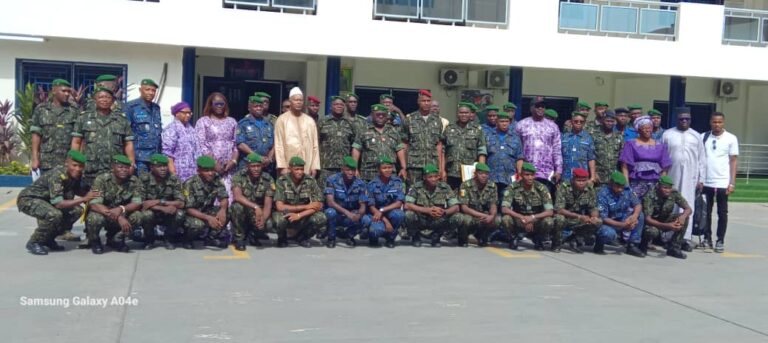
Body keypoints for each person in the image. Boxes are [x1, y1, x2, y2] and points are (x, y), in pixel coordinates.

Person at [18, 150, 97, 255]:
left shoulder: (75, 176)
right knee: (54, 214)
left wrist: (94, 194)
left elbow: (78, 190)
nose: (77, 169)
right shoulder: (57, 175)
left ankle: (49, 238)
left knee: (77, 210)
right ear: (66, 163)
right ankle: (34, 242)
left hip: (47, 200)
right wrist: (84, 199)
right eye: (74, 165)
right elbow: (59, 204)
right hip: (29, 199)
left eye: (80, 166)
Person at [71, 87, 135, 189]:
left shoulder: (121, 120)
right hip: (90, 168)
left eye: (108, 97)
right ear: (95, 100)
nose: (104, 100)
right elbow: (76, 142)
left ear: (113, 100)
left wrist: (131, 163)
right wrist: (75, 162)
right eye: (101, 97)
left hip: (114, 169)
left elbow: (128, 143)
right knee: (90, 198)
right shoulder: (83, 118)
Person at [662, 107, 706, 251]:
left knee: (687, 206)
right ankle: (668, 236)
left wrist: (701, 179)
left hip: (690, 177)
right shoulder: (668, 134)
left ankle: (685, 238)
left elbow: (702, 159)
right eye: (682, 119)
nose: (684, 121)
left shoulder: (696, 136)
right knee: (671, 205)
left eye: (687, 119)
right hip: (671, 176)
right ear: (677, 119)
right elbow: (662, 156)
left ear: (690, 120)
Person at [85, 155, 145, 254]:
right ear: (113, 167)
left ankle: (116, 239)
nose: (124, 170)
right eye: (120, 167)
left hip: (122, 213)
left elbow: (137, 203)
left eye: (126, 167)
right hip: (104, 213)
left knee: (138, 216)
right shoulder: (101, 179)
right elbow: (94, 204)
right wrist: (118, 217)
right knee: (94, 218)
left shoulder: (134, 181)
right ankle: (95, 241)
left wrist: (121, 209)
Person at [701, 112, 739, 253]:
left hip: (723, 182)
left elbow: (733, 161)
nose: (717, 125)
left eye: (719, 122)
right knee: (706, 212)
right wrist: (700, 179)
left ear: (724, 123)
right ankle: (707, 238)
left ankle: (720, 240)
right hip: (706, 182)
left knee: (722, 213)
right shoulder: (703, 137)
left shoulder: (731, 138)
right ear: (710, 122)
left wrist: (732, 182)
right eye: (714, 122)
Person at [272, 156, 327, 248]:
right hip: (287, 214)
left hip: (303, 215)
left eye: (302, 169)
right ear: (290, 169)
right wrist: (305, 207)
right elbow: (280, 207)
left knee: (321, 217)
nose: (300, 172)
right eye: (296, 169)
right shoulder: (282, 181)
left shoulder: (310, 181)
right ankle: (282, 238)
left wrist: (299, 215)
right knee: (278, 220)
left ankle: (302, 237)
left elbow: (318, 205)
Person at [500, 163, 555, 251]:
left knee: (549, 221)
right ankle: (513, 238)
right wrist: (522, 217)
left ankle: (539, 239)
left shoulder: (541, 188)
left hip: (536, 220)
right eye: (527, 175)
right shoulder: (513, 187)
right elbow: (504, 208)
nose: (530, 178)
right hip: (519, 219)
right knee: (506, 219)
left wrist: (532, 218)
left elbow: (550, 211)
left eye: (532, 175)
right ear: (521, 175)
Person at [404, 164, 460, 247]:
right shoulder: (416, 187)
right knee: (408, 214)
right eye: (430, 177)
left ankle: (436, 236)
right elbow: (407, 205)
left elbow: (456, 207)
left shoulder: (445, 187)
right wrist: (427, 210)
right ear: (424, 177)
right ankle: (416, 236)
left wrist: (444, 212)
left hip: (437, 218)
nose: (433, 179)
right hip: (421, 218)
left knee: (457, 217)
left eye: (435, 176)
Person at [196, 92, 239, 200]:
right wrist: (214, 163)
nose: (219, 106)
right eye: (216, 104)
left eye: (222, 103)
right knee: (212, 198)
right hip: (210, 169)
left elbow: (235, 145)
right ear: (211, 105)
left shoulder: (232, 121)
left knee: (229, 198)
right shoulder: (203, 121)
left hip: (229, 169)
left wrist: (233, 161)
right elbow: (201, 144)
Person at [137, 154, 185, 250]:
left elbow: (181, 203)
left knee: (180, 213)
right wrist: (161, 207)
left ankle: (169, 239)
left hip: (169, 213)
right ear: (151, 167)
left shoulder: (174, 179)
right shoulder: (143, 179)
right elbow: (141, 203)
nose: (163, 169)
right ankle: (149, 239)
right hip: (153, 212)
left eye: (165, 166)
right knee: (146, 215)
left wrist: (163, 202)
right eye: (159, 166)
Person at [30, 79, 78, 175]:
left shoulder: (74, 110)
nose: (67, 94)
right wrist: (35, 158)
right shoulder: (41, 109)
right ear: (54, 91)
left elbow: (78, 138)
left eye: (68, 91)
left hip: (67, 161)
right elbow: (36, 135)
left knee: (68, 189)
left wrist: (75, 160)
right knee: (47, 189)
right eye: (63, 91)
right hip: (47, 161)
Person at [181, 156, 230, 249]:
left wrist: (223, 210)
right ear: (198, 171)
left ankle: (211, 238)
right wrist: (208, 218)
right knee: (197, 225)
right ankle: (187, 239)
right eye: (206, 171)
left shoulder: (216, 179)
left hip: (207, 210)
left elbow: (224, 197)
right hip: (192, 214)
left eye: (212, 170)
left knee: (228, 211)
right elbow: (188, 208)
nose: (211, 173)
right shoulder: (189, 184)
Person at [515, 98, 562, 195]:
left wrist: (558, 170)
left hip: (547, 173)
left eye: (543, 106)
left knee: (546, 204)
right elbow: (516, 150)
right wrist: (518, 171)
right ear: (531, 108)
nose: (540, 108)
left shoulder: (553, 126)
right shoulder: (521, 125)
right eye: (537, 106)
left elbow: (557, 149)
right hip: (527, 172)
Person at [230, 153, 275, 251]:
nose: (256, 169)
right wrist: (255, 207)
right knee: (237, 207)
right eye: (253, 166)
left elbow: (268, 205)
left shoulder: (268, 179)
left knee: (269, 224)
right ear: (247, 166)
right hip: (245, 209)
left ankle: (254, 234)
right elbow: (237, 196)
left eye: (258, 166)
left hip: (258, 213)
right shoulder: (239, 176)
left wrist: (263, 219)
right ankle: (239, 238)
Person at [620, 115, 672, 199]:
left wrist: (662, 184)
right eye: (644, 128)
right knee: (635, 207)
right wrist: (626, 184)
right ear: (639, 130)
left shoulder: (660, 145)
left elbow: (665, 167)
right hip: (636, 182)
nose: (648, 130)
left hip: (655, 183)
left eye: (650, 127)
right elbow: (624, 165)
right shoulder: (631, 144)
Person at [640, 175, 691, 259]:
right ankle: (642, 245)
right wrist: (668, 226)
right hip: (652, 223)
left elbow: (688, 209)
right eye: (665, 188)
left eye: (669, 188)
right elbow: (647, 219)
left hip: (665, 220)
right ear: (659, 186)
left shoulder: (674, 193)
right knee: (651, 231)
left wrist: (683, 217)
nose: (668, 190)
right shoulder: (650, 195)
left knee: (685, 218)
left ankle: (674, 247)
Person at [352, 105, 407, 182]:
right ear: (372, 115)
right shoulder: (363, 131)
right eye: (378, 114)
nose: (381, 116)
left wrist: (403, 168)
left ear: (387, 116)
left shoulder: (393, 131)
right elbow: (356, 149)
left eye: (383, 115)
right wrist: (354, 168)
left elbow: (400, 149)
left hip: (390, 175)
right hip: (369, 174)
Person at [595, 172, 645, 257]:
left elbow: (638, 204)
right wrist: (623, 225)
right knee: (608, 233)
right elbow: (604, 218)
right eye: (617, 186)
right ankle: (599, 243)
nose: (620, 189)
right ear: (611, 183)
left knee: (640, 216)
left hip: (622, 219)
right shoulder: (603, 193)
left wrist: (634, 216)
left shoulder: (627, 190)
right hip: (608, 223)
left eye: (622, 186)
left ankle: (633, 245)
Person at [274, 87, 321, 177]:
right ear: (290, 101)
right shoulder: (282, 119)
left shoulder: (310, 121)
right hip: (288, 167)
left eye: (301, 100)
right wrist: (282, 166)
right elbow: (278, 145)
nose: (299, 102)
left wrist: (314, 166)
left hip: (306, 167)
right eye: (296, 100)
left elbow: (315, 146)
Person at [323, 156, 369, 248]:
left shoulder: (360, 183)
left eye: (353, 170)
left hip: (352, 213)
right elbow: (330, 202)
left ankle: (349, 235)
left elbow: (363, 205)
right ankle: (331, 237)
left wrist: (359, 214)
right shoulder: (332, 180)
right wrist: (347, 213)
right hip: (337, 213)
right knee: (330, 212)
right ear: (342, 169)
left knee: (366, 220)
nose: (351, 172)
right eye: (348, 170)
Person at [554, 168, 601, 253]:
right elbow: (559, 209)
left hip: (579, 219)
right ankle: (556, 243)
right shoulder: (564, 187)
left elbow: (593, 207)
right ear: (573, 179)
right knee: (559, 218)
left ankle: (574, 240)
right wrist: (579, 216)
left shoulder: (589, 189)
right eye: (578, 180)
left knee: (598, 222)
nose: (581, 183)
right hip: (565, 217)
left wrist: (594, 217)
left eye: (584, 180)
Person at [403, 90, 444, 185]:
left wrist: (440, 167)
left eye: (428, 101)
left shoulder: (437, 120)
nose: (426, 103)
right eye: (423, 101)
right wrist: (404, 167)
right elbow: (405, 144)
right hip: (414, 166)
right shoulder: (409, 119)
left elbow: (439, 144)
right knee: (412, 191)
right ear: (418, 102)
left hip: (432, 164)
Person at [442, 102, 487, 189]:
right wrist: (442, 170)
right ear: (457, 114)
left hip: (469, 173)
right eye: (461, 113)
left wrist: (481, 171)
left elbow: (482, 152)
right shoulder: (449, 129)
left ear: (470, 114)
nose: (464, 115)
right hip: (451, 172)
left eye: (466, 113)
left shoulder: (477, 130)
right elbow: (443, 151)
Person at [364, 156, 405, 248]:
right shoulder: (372, 184)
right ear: (379, 169)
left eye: (389, 167)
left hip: (389, 211)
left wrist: (382, 210)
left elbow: (399, 203)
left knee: (399, 215)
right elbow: (371, 206)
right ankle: (373, 238)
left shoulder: (397, 182)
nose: (387, 170)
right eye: (384, 168)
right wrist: (386, 221)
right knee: (375, 231)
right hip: (375, 214)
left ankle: (390, 238)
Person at [454, 163, 499, 247]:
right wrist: (483, 215)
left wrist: (492, 215)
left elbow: (493, 204)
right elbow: (464, 208)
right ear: (475, 174)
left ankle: (481, 235)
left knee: (497, 220)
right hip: (470, 215)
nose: (484, 176)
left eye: (486, 174)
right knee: (464, 219)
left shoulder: (492, 186)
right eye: (481, 173)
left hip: (483, 216)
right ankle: (463, 237)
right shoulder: (465, 185)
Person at [125, 79, 162, 174]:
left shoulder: (156, 108)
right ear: (140, 90)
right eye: (147, 89)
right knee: (141, 185)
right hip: (139, 158)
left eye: (153, 90)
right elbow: (126, 134)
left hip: (155, 157)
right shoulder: (131, 107)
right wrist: (131, 159)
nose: (151, 92)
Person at [317, 95, 356, 186]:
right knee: (325, 193)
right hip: (326, 166)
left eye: (341, 105)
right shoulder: (323, 121)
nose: (339, 106)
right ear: (331, 106)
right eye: (336, 104)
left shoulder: (350, 123)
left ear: (344, 106)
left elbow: (354, 144)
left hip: (344, 166)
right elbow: (317, 142)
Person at [486, 112, 523, 201]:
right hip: (491, 176)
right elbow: (483, 155)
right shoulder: (488, 136)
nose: (504, 123)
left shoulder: (515, 138)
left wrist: (520, 173)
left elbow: (519, 157)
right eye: (502, 121)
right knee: (491, 203)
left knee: (506, 203)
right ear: (497, 122)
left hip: (508, 177)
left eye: (507, 121)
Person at [162, 102, 200, 182]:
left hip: (193, 172)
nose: (188, 115)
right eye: (185, 113)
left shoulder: (191, 129)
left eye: (189, 113)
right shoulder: (171, 129)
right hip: (179, 171)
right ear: (176, 114)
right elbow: (167, 153)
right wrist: (173, 173)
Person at [235, 95, 275, 173]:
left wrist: (269, 158)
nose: (259, 108)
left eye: (260, 106)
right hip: (248, 165)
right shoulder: (243, 123)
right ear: (249, 108)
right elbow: (240, 144)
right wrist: (258, 157)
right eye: (256, 106)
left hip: (266, 166)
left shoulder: (269, 124)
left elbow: (274, 143)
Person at [560, 112, 596, 184]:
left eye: (581, 122)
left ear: (584, 123)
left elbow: (591, 159)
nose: (578, 123)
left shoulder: (588, 138)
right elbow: (558, 156)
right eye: (576, 121)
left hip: (581, 179)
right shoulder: (563, 137)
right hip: (565, 177)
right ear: (571, 122)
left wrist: (592, 177)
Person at [593, 110, 624, 185]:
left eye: (612, 121)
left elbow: (622, 157)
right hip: (598, 177)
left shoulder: (619, 137)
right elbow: (590, 156)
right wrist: (593, 173)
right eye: (607, 121)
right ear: (602, 120)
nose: (610, 123)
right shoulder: (594, 135)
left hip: (614, 177)